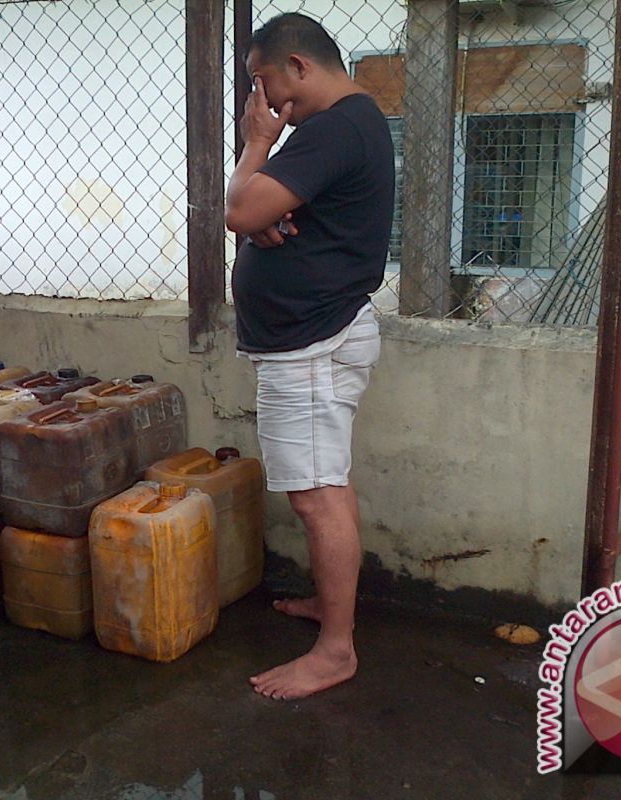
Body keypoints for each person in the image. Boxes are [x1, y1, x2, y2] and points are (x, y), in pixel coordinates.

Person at [225, 13, 395, 699]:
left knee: (317, 497)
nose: (264, 103)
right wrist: (270, 221)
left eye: (264, 83)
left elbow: (239, 208)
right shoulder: (347, 127)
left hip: (313, 344)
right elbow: (269, 216)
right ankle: (335, 610)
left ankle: (335, 652)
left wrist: (256, 144)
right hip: (317, 337)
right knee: (331, 485)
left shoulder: (333, 127)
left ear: (297, 65)